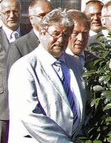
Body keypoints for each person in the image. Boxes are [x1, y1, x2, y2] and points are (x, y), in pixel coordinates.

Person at [8, 8, 85, 142]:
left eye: (66, 35)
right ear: (42, 33)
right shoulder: (24, 67)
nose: (61, 40)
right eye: (56, 34)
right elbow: (29, 115)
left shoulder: (75, 65)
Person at [0, 0, 26, 142]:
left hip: (26, 105)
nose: (11, 15)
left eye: (15, 11)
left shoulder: (30, 38)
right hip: (0, 106)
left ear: (21, 12)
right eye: (7, 12)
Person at [7, 0, 53, 71]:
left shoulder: (59, 42)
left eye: (50, 15)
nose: (47, 19)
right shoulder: (18, 47)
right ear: (31, 19)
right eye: (42, 15)